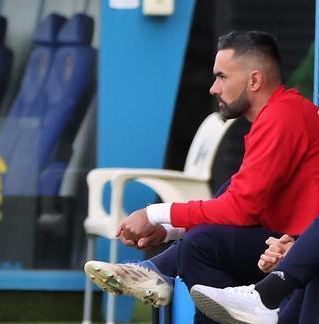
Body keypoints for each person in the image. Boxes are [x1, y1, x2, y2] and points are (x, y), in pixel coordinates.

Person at [83, 31, 319, 314]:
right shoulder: (279, 114)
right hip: (282, 242)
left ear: (254, 80)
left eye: (222, 77)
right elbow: (241, 201)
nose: (213, 88)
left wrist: (154, 214)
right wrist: (170, 229)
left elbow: (241, 209)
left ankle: (162, 270)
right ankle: (162, 268)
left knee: (202, 244)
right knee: (204, 235)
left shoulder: (283, 115)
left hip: (293, 248)